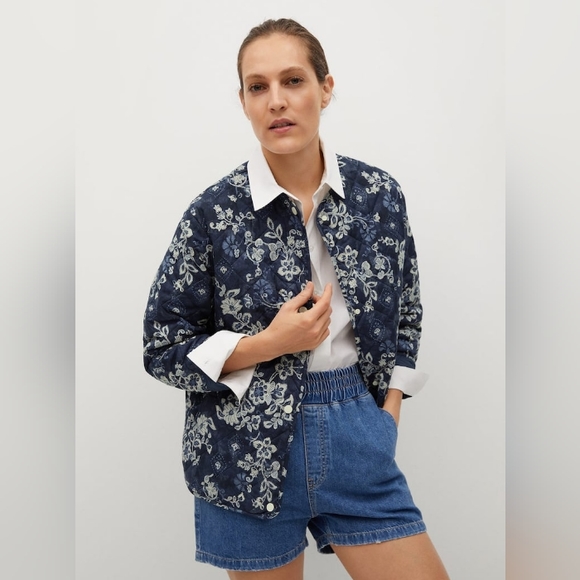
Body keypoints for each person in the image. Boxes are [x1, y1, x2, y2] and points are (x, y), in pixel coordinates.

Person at [143, 17, 449, 580]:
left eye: (293, 80)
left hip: (357, 430)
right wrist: (267, 344)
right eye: (257, 87)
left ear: (325, 88)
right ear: (243, 102)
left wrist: (387, 415)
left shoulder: (378, 195)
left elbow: (406, 312)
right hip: (243, 450)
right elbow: (161, 349)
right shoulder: (212, 214)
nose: (276, 101)